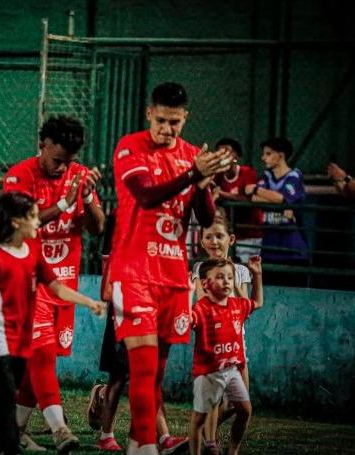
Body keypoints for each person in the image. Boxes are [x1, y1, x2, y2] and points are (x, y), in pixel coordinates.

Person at [108, 82, 230, 454]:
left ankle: (136, 443)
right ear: (149, 114)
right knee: (142, 370)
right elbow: (146, 196)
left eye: (175, 122)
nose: (167, 129)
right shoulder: (131, 146)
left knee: (156, 374)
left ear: (185, 118)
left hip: (173, 276)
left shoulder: (192, 155)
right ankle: (145, 446)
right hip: (134, 272)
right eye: (161, 120)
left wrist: (207, 183)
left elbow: (206, 217)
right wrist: (194, 175)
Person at [0, 192, 104, 454]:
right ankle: (25, 440)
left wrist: (89, 302)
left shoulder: (33, 253)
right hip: (0, 339)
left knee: (16, 392)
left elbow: (57, 288)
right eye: (33, 218)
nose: (39, 224)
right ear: (16, 222)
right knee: (6, 395)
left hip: (24, 338)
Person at [0, 115, 106, 450]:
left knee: (41, 364)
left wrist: (86, 198)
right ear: (41, 145)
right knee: (42, 356)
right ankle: (60, 430)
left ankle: (12, 431)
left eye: (69, 162)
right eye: (57, 160)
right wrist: (63, 203)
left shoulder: (78, 176)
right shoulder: (19, 175)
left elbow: (97, 228)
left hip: (64, 284)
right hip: (29, 283)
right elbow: (20, 224)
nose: (62, 169)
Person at [87, 210, 188, 453]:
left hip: (145, 314)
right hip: (123, 315)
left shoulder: (153, 245)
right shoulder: (119, 247)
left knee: (149, 376)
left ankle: (162, 438)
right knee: (119, 377)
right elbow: (106, 292)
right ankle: (106, 434)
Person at [190, 210, 254, 455]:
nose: (213, 242)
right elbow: (203, 301)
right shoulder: (200, 269)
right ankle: (210, 442)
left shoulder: (241, 271)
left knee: (242, 405)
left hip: (238, 346)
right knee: (213, 399)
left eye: (219, 236)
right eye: (208, 237)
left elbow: (245, 305)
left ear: (232, 239)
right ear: (202, 241)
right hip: (212, 345)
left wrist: (231, 276)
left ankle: (230, 447)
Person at [244, 137, 308, 264]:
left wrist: (256, 189)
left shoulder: (294, 176)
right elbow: (254, 198)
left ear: (280, 156)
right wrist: (280, 202)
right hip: (269, 246)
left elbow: (282, 198)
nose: (263, 158)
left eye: (268, 154)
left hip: (292, 248)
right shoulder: (266, 176)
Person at [211, 138, 263, 262]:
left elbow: (248, 200)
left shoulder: (247, 173)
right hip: (228, 234)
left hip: (250, 234)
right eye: (220, 152)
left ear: (236, 156)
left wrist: (223, 194)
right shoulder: (217, 176)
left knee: (245, 272)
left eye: (227, 152)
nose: (224, 155)